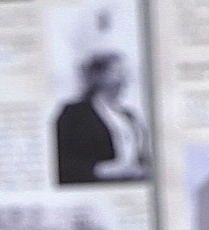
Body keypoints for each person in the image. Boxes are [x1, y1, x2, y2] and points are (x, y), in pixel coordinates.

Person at [53, 51, 143, 187]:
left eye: (125, 73)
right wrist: (100, 170)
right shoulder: (74, 113)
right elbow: (62, 163)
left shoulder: (129, 115)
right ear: (99, 76)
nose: (124, 79)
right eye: (118, 72)